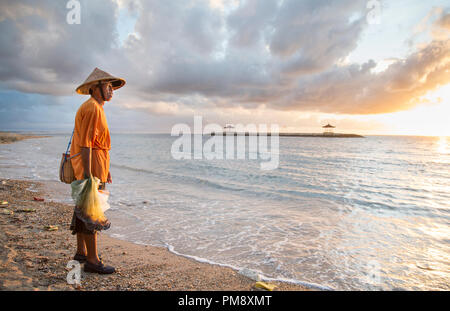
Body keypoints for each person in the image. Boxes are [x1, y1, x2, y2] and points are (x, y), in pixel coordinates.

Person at [69, 68, 125, 274]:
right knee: (91, 213)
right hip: (90, 168)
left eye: (112, 86)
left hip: (95, 166)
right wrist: (88, 174)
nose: (111, 90)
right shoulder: (93, 108)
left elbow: (94, 144)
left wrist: (105, 170)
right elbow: (86, 145)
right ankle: (92, 261)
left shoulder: (96, 107)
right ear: (95, 88)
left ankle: (81, 252)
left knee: (83, 209)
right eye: (107, 86)